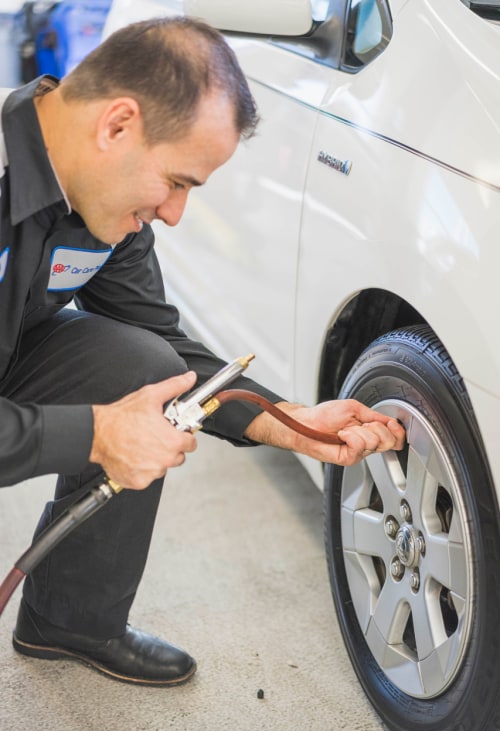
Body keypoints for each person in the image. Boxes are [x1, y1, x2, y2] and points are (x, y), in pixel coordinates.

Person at [0, 17, 405, 687]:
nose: (175, 214)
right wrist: (98, 433)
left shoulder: (104, 202)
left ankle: (68, 618)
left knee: (146, 367)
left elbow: (167, 345)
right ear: (117, 126)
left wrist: (287, 420)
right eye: (178, 181)